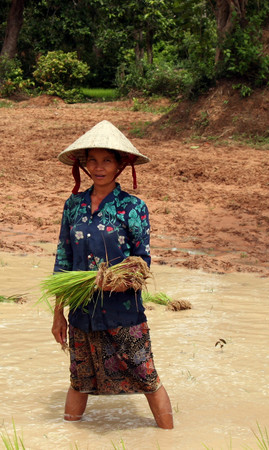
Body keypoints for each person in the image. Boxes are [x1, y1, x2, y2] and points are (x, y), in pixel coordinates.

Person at [50, 120, 173, 429]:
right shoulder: (73, 206)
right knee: (79, 381)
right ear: (83, 164)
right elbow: (63, 260)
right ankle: (67, 435)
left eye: (107, 160)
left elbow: (141, 261)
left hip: (123, 313)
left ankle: (169, 436)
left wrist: (111, 280)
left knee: (147, 378)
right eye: (92, 160)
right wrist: (58, 314)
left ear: (120, 165)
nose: (99, 167)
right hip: (82, 312)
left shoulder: (131, 208)